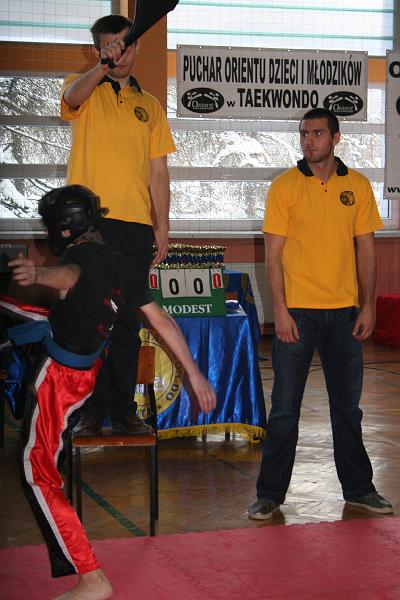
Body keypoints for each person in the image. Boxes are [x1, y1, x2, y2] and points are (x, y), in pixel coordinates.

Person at [9, 184, 216, 600]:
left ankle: (91, 578)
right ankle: (79, 564)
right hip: (85, 377)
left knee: (37, 473)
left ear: (64, 228)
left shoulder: (78, 258)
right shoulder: (120, 262)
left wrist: (39, 275)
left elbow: (67, 277)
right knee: (44, 466)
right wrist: (194, 374)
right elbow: (162, 321)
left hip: (61, 380)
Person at [248, 108, 393, 520]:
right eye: (303, 134)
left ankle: (359, 489)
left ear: (336, 138)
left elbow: (366, 249)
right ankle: (270, 494)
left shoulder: (357, 186)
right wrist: (280, 311)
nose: (308, 140)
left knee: (348, 409)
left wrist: (368, 305)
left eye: (316, 133)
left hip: (345, 315)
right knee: (284, 410)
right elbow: (273, 255)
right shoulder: (284, 186)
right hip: (298, 315)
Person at [60, 14, 176, 436]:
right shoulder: (84, 87)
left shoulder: (151, 106)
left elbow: (158, 172)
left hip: (135, 229)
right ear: (98, 50)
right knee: (89, 320)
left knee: (127, 321)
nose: (120, 54)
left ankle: (123, 410)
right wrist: (102, 66)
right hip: (88, 228)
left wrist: (162, 227)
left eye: (125, 46)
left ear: (138, 46)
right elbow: (72, 97)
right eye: (110, 47)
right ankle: (87, 411)